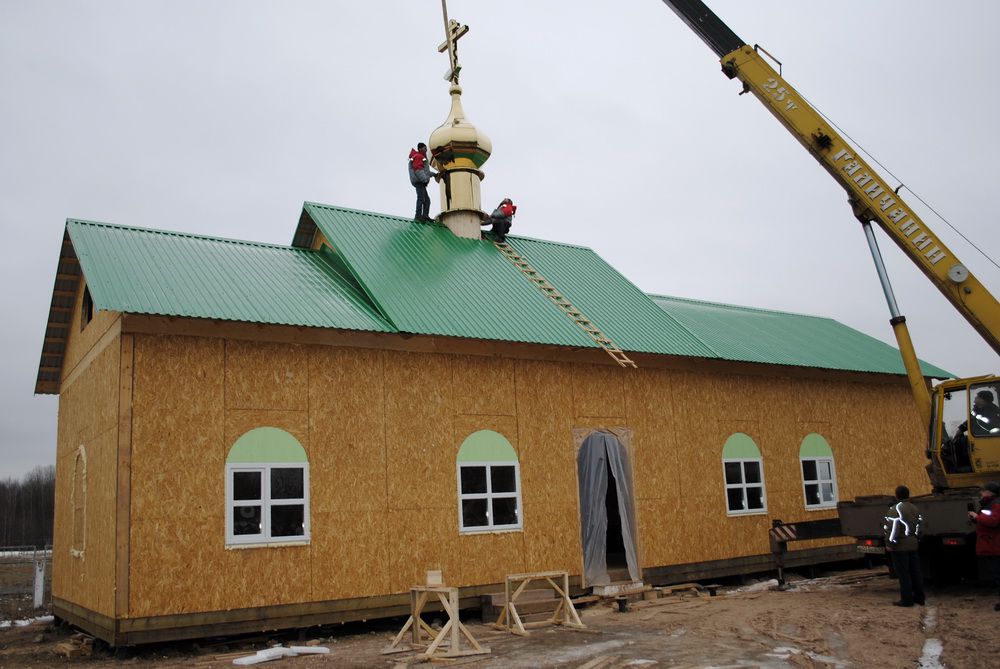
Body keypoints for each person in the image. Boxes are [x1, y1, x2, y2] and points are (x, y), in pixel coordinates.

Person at [883, 485, 925, 607]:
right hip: (913, 544)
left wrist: (889, 543)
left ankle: (907, 600)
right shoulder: (914, 508)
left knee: (904, 574)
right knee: (915, 572)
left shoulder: (895, 509)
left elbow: (892, 529)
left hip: (900, 546)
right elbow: (919, 526)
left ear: (896, 496)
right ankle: (919, 598)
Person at [968, 481, 1000, 611]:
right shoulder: (991, 504)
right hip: (992, 544)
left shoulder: (996, 504)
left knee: (998, 574)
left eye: (983, 490)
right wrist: (976, 518)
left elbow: (994, 521)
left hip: (995, 544)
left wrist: (977, 517)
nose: (981, 493)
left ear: (989, 492)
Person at [408, 143, 437, 222]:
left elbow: (425, 172)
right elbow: (418, 170)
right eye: (425, 148)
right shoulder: (418, 156)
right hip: (420, 182)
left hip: (421, 181)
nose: (426, 150)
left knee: (427, 200)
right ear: (420, 149)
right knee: (421, 198)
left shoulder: (421, 157)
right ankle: (418, 216)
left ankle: (425, 216)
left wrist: (434, 174)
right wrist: (425, 180)